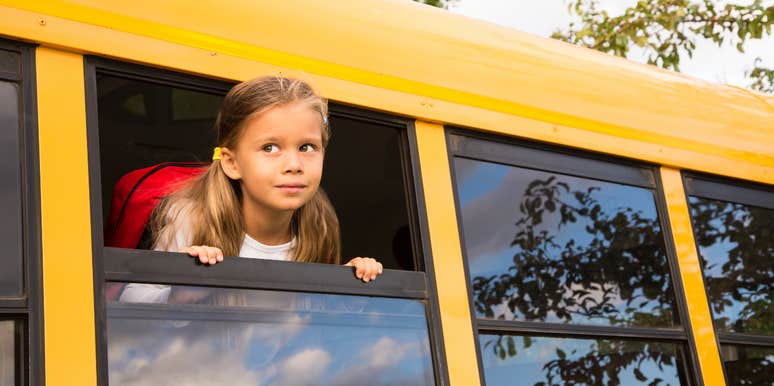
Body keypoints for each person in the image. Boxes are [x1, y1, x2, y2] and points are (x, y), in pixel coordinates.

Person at [120, 76, 382, 303]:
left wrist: (348, 288)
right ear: (232, 163)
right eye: (270, 148)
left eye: (307, 147)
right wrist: (180, 292)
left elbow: (308, 319)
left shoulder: (318, 226)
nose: (293, 165)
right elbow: (130, 303)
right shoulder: (191, 219)